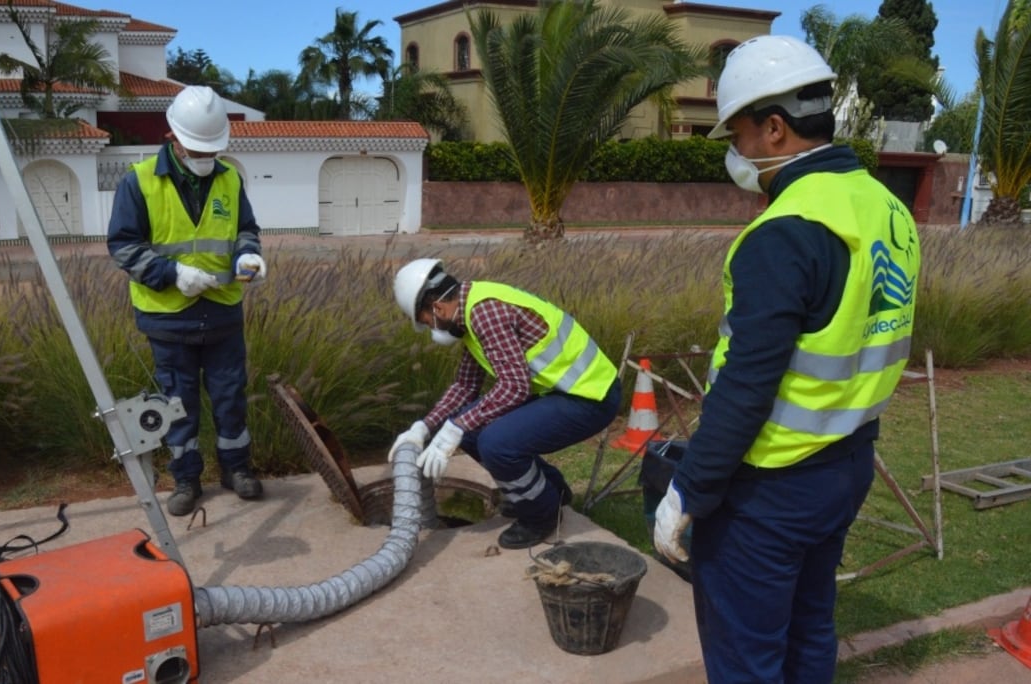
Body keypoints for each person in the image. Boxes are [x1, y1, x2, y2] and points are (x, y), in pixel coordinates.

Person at [651, 35, 921, 683]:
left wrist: (691, 488)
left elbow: (747, 382)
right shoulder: (887, 208)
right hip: (847, 463)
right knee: (808, 629)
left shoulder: (785, 230)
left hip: (769, 488)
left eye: (736, 134)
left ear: (774, 129)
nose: (734, 152)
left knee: (748, 655)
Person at [107, 85, 267, 516]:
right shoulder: (138, 182)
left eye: (210, 149)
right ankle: (186, 479)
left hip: (222, 313)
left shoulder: (229, 178)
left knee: (230, 396)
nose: (203, 156)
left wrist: (249, 253)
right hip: (168, 318)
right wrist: (172, 273)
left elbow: (246, 230)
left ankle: (237, 469)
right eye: (196, 147)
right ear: (172, 138)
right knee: (178, 405)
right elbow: (123, 246)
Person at [390, 258, 622, 549]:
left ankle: (542, 515)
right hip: (564, 391)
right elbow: (465, 386)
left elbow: (514, 386)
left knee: (496, 443)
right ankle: (550, 491)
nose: (428, 327)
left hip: (590, 396)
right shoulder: (470, 313)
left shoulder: (484, 313)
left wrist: (454, 428)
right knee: (472, 431)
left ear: (436, 308)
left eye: (424, 321)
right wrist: (424, 427)